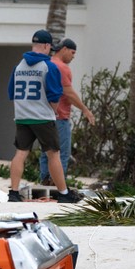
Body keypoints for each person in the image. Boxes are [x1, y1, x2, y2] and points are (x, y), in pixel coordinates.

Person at [6, 29, 80, 203]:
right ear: (47, 46)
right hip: (43, 117)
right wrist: (54, 110)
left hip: (22, 117)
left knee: (20, 153)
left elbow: (11, 92)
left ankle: (14, 193)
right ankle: (63, 193)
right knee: (53, 154)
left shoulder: (19, 67)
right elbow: (55, 96)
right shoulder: (49, 66)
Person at [38, 38, 95, 185]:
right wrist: (85, 110)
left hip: (43, 116)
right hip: (59, 117)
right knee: (61, 153)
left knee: (46, 153)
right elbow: (68, 93)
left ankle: (45, 182)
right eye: (72, 52)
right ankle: (58, 185)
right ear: (64, 49)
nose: (73, 56)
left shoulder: (46, 64)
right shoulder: (61, 67)